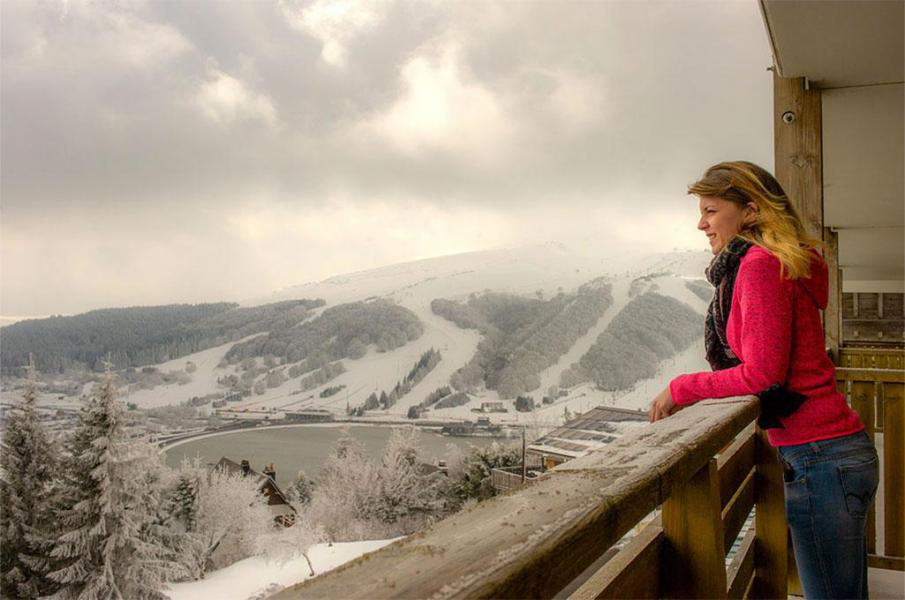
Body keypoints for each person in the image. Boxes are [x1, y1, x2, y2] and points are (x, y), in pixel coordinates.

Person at [648, 161, 878, 599]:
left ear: (750, 211)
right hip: (834, 453)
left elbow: (761, 373)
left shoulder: (758, 265)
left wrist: (682, 387)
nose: (701, 224)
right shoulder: (775, 262)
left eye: (711, 210)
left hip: (820, 457)